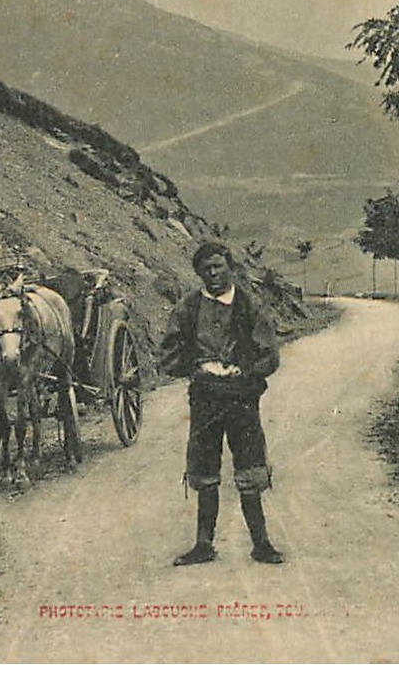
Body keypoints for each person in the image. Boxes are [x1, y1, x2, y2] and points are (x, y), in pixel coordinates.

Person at [158, 240, 284, 565]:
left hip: (241, 397)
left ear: (230, 267)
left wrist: (246, 371)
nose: (213, 273)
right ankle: (203, 545)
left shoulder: (249, 305)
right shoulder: (188, 307)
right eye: (206, 268)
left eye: (218, 266)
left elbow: (270, 354)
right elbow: (169, 352)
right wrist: (195, 368)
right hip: (205, 398)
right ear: (199, 272)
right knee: (203, 469)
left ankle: (261, 544)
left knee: (250, 467)